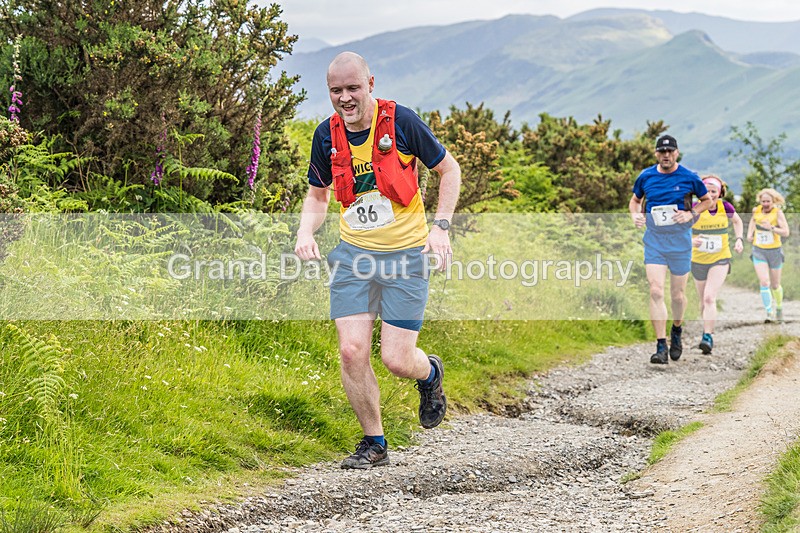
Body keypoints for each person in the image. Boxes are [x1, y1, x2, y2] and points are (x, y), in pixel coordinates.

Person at [294, 52, 461, 469]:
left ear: (370, 82)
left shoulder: (401, 122)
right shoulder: (325, 135)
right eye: (336, 91)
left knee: (396, 360)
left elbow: (450, 170)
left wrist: (440, 227)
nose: (345, 98)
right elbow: (318, 195)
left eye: (353, 88)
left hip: (407, 256)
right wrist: (304, 232)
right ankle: (374, 442)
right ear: (329, 91)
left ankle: (430, 375)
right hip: (354, 257)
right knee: (351, 351)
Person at [629, 135, 713, 364]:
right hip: (655, 240)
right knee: (656, 290)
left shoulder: (688, 177)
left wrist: (691, 213)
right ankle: (660, 345)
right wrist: (635, 215)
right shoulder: (646, 176)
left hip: (680, 242)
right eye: (662, 151)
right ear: (656, 154)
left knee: (677, 296)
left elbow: (708, 201)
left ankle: (677, 330)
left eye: (670, 151)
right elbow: (635, 201)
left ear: (676, 153)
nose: (666, 155)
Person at [690, 175, 744, 354]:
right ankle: (707, 327)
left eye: (714, 191)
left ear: (720, 192)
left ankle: (707, 336)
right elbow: (681, 229)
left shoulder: (725, 207)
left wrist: (739, 240)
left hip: (720, 258)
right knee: (702, 301)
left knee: (709, 297)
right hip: (698, 260)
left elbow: (737, 221)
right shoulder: (694, 209)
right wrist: (691, 240)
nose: (711, 195)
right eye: (707, 191)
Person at [747, 188, 790, 323]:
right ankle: (769, 312)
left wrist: (771, 227)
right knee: (765, 282)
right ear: (760, 201)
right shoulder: (756, 211)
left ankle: (779, 308)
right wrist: (749, 234)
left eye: (768, 201)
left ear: (773, 201)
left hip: (775, 251)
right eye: (763, 201)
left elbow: (785, 232)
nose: (765, 204)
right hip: (759, 250)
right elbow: (753, 222)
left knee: (775, 284)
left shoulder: (778, 213)